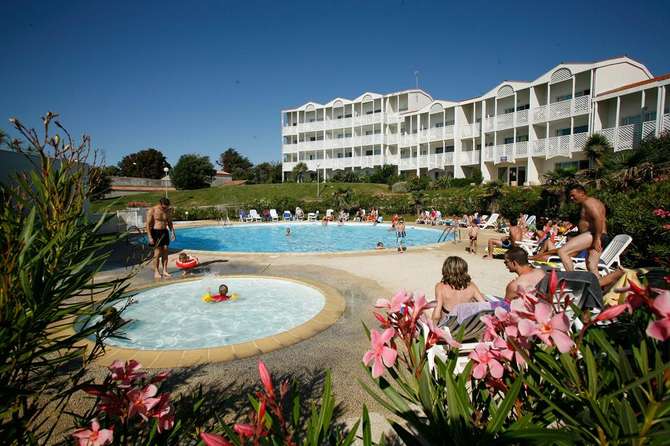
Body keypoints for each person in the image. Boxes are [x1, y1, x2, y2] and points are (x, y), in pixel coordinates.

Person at [558, 185, 609, 274]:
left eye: (573, 195)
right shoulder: (588, 203)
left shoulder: (589, 203)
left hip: (594, 235)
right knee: (591, 266)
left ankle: (574, 281)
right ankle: (597, 287)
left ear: (582, 193)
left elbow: (599, 219)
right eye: (570, 196)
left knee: (562, 252)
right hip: (597, 236)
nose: (571, 198)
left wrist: (597, 239)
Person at [431, 256, 485, 323]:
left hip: (448, 326)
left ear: (446, 270)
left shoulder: (440, 287)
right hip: (466, 324)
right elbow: (484, 305)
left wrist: (433, 328)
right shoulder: (471, 286)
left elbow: (436, 316)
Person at [147, 197, 175, 279]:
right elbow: (148, 225)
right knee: (157, 253)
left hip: (164, 232)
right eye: (163, 207)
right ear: (160, 204)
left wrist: (172, 232)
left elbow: (169, 222)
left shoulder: (168, 211)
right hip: (156, 232)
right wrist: (150, 237)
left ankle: (165, 271)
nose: (165, 208)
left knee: (166, 251)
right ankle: (156, 271)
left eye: (166, 207)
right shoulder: (152, 210)